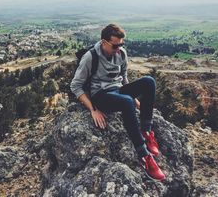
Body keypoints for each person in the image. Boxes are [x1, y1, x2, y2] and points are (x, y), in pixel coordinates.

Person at [70, 24, 165, 181]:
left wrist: (134, 96)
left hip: (118, 90)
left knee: (149, 82)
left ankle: (146, 132)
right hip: (101, 95)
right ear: (103, 42)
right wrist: (92, 109)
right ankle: (144, 156)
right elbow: (75, 85)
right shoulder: (91, 57)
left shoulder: (121, 54)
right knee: (127, 102)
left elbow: (123, 77)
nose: (119, 48)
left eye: (121, 44)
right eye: (115, 45)